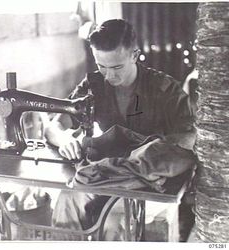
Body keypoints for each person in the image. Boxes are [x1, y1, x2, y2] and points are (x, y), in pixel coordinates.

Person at [44, 19, 196, 240]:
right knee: (67, 199)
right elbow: (53, 126)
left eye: (116, 67)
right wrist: (64, 139)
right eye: (101, 66)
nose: (109, 76)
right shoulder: (94, 85)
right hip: (104, 175)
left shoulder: (164, 89)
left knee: (114, 221)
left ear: (134, 55)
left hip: (147, 180)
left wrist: (152, 151)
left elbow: (190, 137)